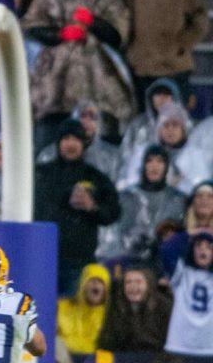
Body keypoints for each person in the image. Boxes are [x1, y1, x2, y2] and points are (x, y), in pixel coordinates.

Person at [22, 0, 134, 132]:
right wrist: (59, 35)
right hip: (54, 84)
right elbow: (30, 26)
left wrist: (94, 22)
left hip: (98, 82)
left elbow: (119, 35)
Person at [33, 118, 120, 294]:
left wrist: (92, 207)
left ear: (84, 143)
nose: (71, 144)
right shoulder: (40, 174)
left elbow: (114, 212)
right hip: (42, 259)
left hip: (79, 262)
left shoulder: (96, 177)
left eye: (76, 139)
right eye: (66, 139)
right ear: (58, 142)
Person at [121, 0, 207, 106]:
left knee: (174, 121)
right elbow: (123, 17)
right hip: (142, 66)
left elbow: (200, 18)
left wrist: (182, 44)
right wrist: (129, 48)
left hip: (175, 65)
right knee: (143, 120)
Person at [101, 145, 185, 262]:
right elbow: (116, 234)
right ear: (143, 165)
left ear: (166, 167)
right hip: (129, 261)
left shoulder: (178, 199)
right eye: (149, 161)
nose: (154, 166)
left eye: (160, 161)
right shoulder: (126, 197)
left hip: (166, 261)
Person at [35, 100, 120, 184]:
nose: (86, 122)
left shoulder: (112, 157)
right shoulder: (49, 154)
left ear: (99, 123)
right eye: (82, 116)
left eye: (92, 117)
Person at [97, 265, 171, 352]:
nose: (133, 286)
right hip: (123, 360)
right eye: (128, 282)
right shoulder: (115, 307)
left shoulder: (164, 307)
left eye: (138, 282)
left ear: (148, 286)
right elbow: (106, 342)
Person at [163, 231, 213, 357]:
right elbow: (166, 249)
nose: (203, 250)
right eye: (199, 246)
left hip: (209, 346)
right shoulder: (181, 273)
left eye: (209, 247)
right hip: (179, 345)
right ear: (191, 250)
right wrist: (191, 233)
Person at [56, 262, 110, 356]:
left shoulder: (112, 316)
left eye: (101, 281)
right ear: (82, 285)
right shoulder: (60, 307)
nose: (96, 283)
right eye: (91, 280)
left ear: (106, 289)